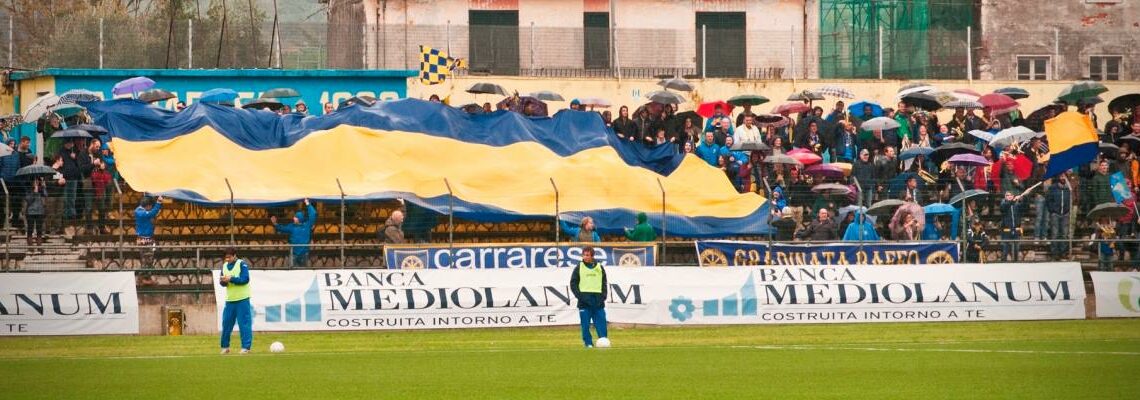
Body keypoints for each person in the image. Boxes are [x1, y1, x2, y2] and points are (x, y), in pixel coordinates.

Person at [569, 247, 608, 348]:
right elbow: (573, 284)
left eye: (587, 255)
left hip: (598, 301)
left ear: (592, 256)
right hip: (584, 301)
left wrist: (603, 297)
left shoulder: (599, 267)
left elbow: (604, 283)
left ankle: (603, 341)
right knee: (585, 325)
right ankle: (588, 343)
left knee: (601, 324)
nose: (585, 257)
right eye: (584, 255)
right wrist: (580, 296)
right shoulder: (579, 267)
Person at [218, 247, 253, 355]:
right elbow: (222, 283)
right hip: (230, 300)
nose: (227, 259)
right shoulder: (224, 266)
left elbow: (245, 279)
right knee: (226, 324)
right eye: (226, 257)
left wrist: (231, 279)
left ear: (234, 255)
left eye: (229, 257)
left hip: (242, 299)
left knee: (244, 324)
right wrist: (223, 281)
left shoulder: (242, 264)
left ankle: (246, 347)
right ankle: (225, 347)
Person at [272, 199, 317, 268]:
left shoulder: (307, 225)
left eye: (295, 217)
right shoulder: (291, 226)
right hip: (293, 253)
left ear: (299, 218)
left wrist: (308, 204)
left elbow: (313, 214)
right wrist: (275, 224)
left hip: (304, 254)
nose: (293, 218)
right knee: (292, 271)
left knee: (304, 272)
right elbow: (282, 228)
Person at [1046, 176, 1072, 260]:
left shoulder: (1069, 188)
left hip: (1066, 214)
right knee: (1055, 234)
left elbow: (1072, 199)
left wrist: (1068, 210)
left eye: (1064, 176)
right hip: (1055, 214)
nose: (1063, 178)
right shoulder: (1053, 188)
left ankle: (1063, 253)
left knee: (1064, 234)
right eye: (1061, 176)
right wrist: (1052, 210)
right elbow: (1048, 200)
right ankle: (1054, 253)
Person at [135, 195, 163, 271]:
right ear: (148, 205)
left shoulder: (141, 211)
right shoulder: (140, 212)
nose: (151, 208)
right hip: (143, 238)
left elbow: (151, 213)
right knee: (146, 256)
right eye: (151, 206)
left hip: (148, 237)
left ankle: (147, 272)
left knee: (149, 255)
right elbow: (152, 213)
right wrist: (158, 202)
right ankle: (145, 273)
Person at [999, 191, 1023, 261]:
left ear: (1013, 196)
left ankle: (1016, 262)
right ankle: (1003, 262)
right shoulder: (1003, 204)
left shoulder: (1017, 204)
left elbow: (1026, 207)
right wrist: (1013, 201)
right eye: (1007, 195)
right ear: (1005, 197)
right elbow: (1004, 207)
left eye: (1011, 195)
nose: (1009, 196)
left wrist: (1024, 198)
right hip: (1006, 230)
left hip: (1016, 230)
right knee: (1005, 249)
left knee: (1016, 248)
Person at [24, 178, 46, 253]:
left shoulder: (41, 189)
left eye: (38, 181)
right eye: (35, 181)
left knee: (39, 230)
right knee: (30, 229)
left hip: (40, 212)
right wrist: (35, 192)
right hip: (30, 212)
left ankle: (39, 246)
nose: (36, 182)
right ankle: (30, 246)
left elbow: (46, 195)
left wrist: (44, 187)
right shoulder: (28, 190)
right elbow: (28, 200)